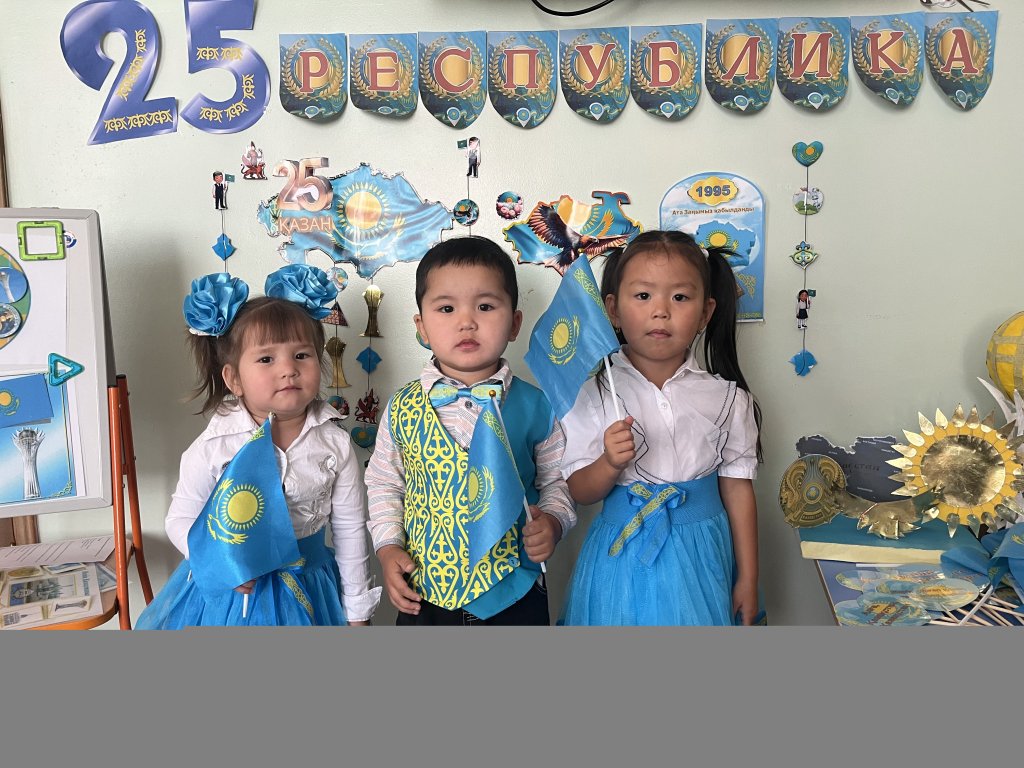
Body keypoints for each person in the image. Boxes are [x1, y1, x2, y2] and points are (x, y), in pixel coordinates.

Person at [137, 265, 380, 628]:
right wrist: (219, 561)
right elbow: (180, 518)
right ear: (233, 378)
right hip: (234, 594)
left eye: (302, 355)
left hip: (311, 585)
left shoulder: (334, 443)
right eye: (267, 359)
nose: (288, 369)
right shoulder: (213, 447)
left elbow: (349, 528)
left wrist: (358, 610)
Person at [365, 236, 576, 625]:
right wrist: (388, 547)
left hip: (513, 590)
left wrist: (553, 521)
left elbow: (557, 481)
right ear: (422, 327)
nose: (466, 321)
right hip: (425, 592)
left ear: (514, 323)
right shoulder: (400, 407)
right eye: (446, 308)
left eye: (485, 306)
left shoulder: (538, 406)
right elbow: (384, 484)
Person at [558, 230, 763, 625]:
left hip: (702, 558)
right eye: (643, 295)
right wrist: (608, 463)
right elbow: (579, 490)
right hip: (620, 561)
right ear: (613, 310)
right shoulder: (593, 393)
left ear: (705, 313)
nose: (660, 311)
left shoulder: (728, 399)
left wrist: (749, 578)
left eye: (680, 297)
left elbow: (738, 490)